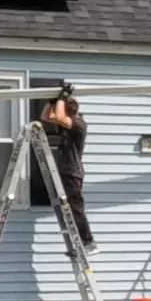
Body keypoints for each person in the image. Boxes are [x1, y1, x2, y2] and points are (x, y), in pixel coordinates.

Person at [40, 87, 96, 250]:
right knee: (69, 208)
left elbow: (58, 115)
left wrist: (62, 98)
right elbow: (47, 116)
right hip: (67, 171)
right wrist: (52, 102)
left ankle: (88, 241)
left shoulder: (79, 125)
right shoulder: (69, 125)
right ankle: (78, 242)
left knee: (76, 208)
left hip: (72, 171)